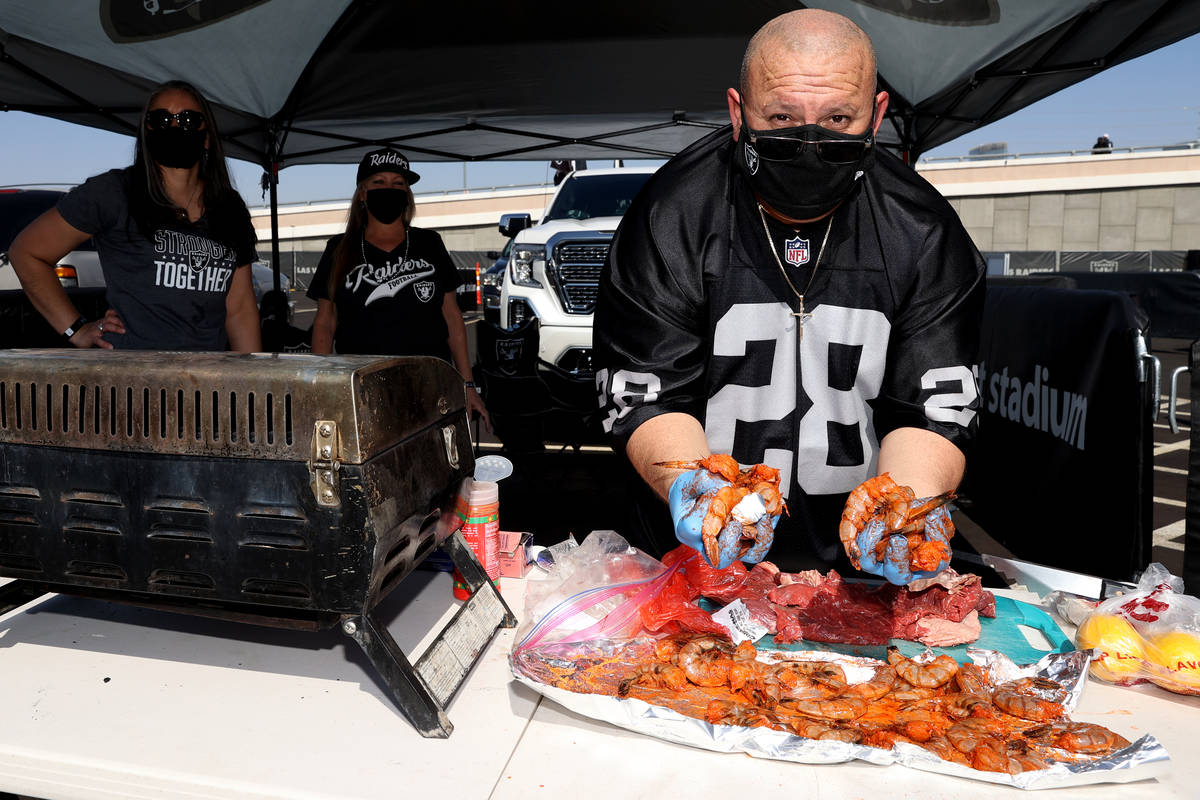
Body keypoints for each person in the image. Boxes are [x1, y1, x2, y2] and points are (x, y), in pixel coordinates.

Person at [594, 9, 984, 584]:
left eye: (838, 117)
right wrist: (699, 491)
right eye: (781, 117)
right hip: (694, 569)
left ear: (876, 115)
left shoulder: (924, 230)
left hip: (859, 573)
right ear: (737, 113)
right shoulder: (671, 214)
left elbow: (934, 407)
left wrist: (906, 511)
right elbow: (645, 391)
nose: (810, 141)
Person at [9, 80, 260, 351]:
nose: (174, 127)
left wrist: (253, 384)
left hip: (206, 382)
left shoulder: (229, 207)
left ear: (207, 135)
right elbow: (26, 253)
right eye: (161, 119)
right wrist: (76, 329)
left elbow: (240, 309)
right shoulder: (113, 192)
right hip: (133, 381)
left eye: (188, 119)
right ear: (146, 133)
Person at [308, 147, 490, 428]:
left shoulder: (429, 243)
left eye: (398, 184)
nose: (388, 189)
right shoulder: (339, 249)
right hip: (363, 393)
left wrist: (467, 385)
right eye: (378, 182)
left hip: (429, 389)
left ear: (407, 195)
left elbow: (453, 319)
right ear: (362, 193)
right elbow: (324, 323)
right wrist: (323, 389)